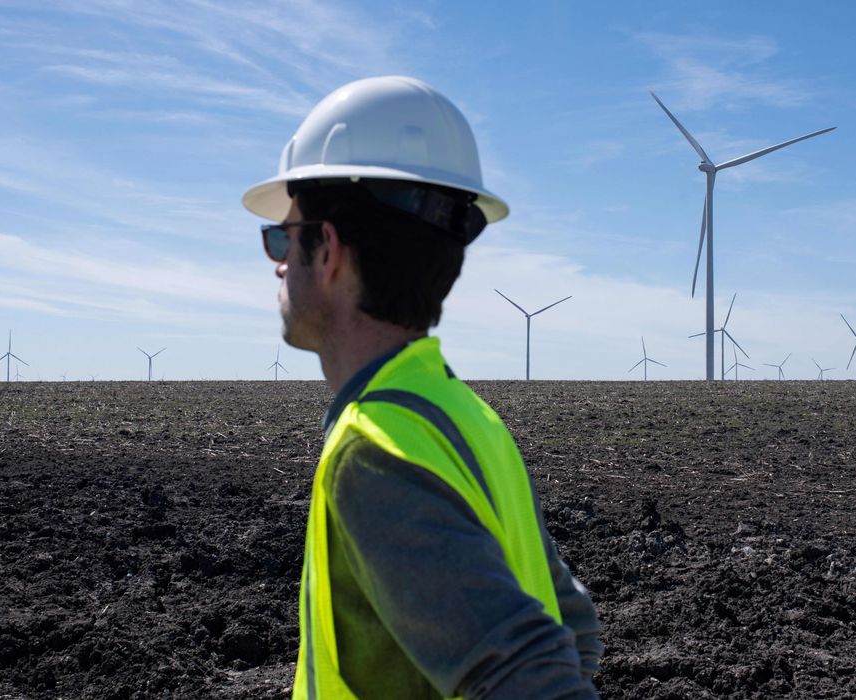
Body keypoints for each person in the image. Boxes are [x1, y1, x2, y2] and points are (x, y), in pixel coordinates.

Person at [243, 76, 603, 699]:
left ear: (326, 250)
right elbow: (574, 626)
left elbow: (532, 675)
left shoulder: (375, 453)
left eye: (284, 235)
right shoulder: (466, 418)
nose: (277, 262)